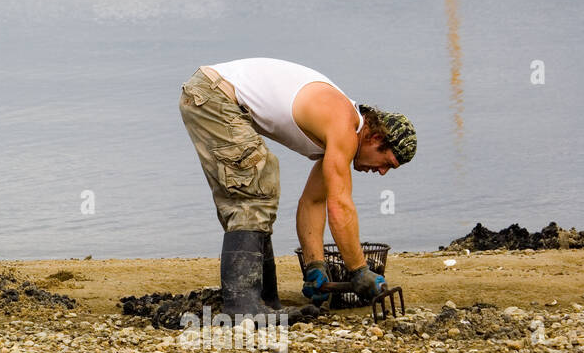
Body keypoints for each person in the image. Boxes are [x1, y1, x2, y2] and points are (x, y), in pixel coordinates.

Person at [178, 58, 416, 316]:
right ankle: (243, 306)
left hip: (209, 93)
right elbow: (340, 206)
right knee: (254, 191)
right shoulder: (344, 127)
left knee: (256, 185)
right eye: (388, 164)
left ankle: (265, 300)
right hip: (214, 95)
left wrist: (316, 266)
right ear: (377, 138)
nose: (381, 172)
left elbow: (313, 202)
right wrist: (359, 270)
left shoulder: (337, 135)